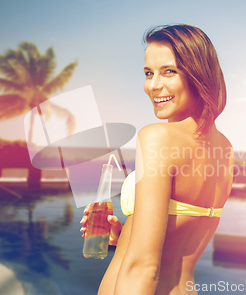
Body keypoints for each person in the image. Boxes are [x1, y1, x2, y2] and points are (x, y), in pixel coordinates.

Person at [80, 24, 234, 295]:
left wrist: (133, 250)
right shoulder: (225, 149)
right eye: (148, 73)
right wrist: (125, 235)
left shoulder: (157, 138)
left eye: (169, 72)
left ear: (199, 75)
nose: (153, 86)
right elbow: (180, 240)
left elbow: (144, 268)